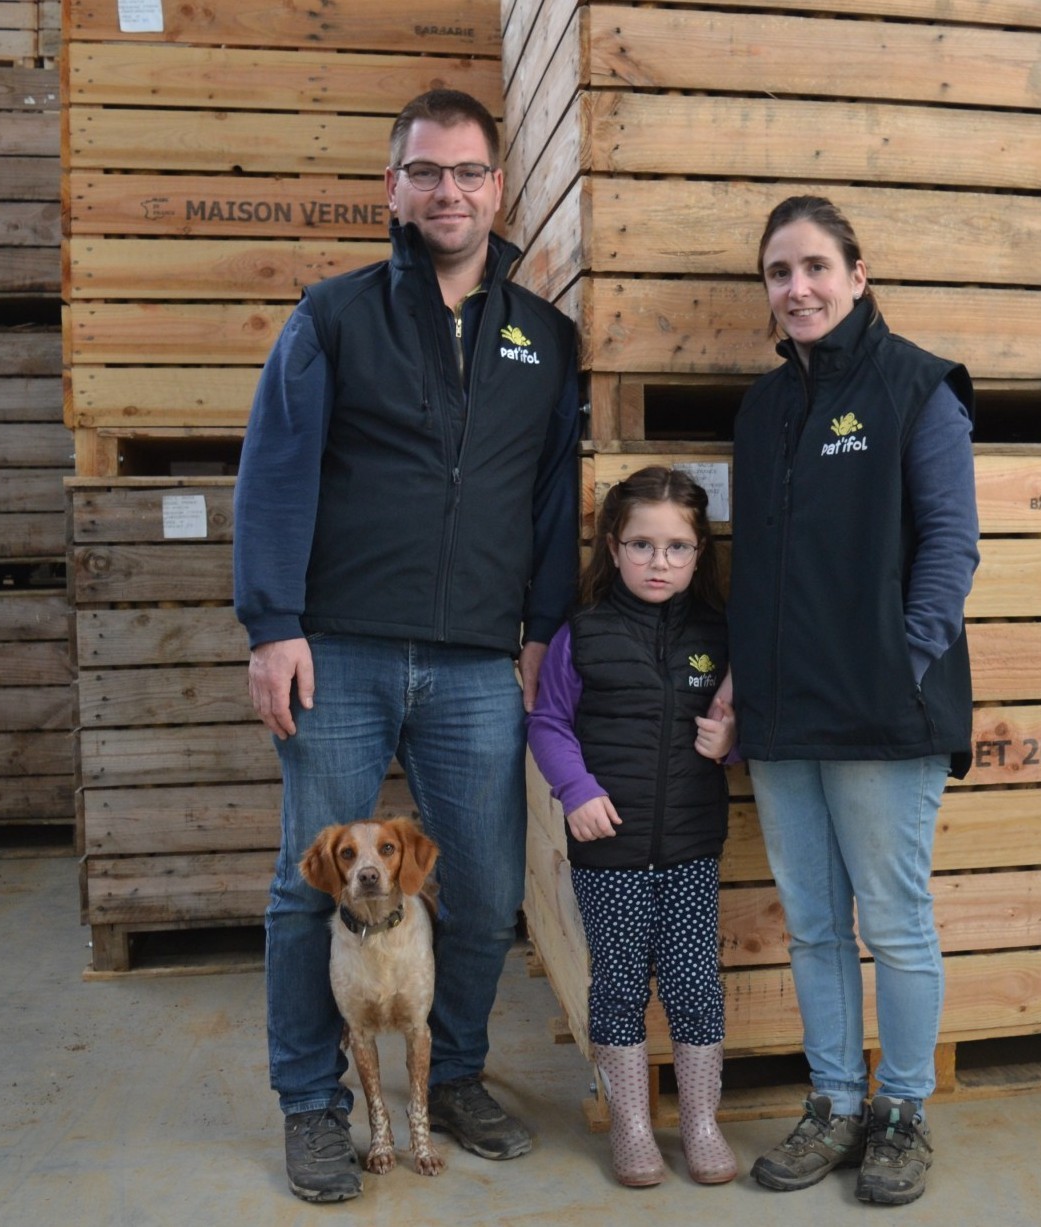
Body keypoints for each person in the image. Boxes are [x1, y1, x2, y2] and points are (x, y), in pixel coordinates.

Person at [232, 89, 581, 1203]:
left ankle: (460, 1073)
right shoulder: (332, 318)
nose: (448, 192)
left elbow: (546, 498)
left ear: (497, 187)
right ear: (394, 188)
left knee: (477, 884)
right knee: (310, 889)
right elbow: (276, 471)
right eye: (426, 172)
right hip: (341, 648)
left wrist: (539, 631)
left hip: (480, 660)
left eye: (468, 172)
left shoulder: (542, 336)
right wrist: (272, 625)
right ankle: (312, 1106)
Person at [727, 196, 979, 1206]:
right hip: (787, 717)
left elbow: (950, 548)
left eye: (815, 267)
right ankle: (834, 1103)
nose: (798, 288)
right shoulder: (763, 408)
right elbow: (758, 570)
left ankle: (904, 1112)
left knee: (896, 920)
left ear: (857, 274)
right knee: (814, 926)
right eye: (778, 273)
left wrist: (900, 667)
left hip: (882, 715)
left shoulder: (917, 389)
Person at [526, 466, 739, 1189]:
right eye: (643, 544)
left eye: (677, 547)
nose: (659, 562)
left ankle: (702, 1121)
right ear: (613, 547)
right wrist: (575, 789)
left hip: (689, 844)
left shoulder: (718, 633)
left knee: (691, 983)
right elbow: (549, 721)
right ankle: (632, 1126)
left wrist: (730, 741)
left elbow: (745, 716)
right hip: (606, 847)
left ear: (698, 554)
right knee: (617, 983)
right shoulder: (580, 634)